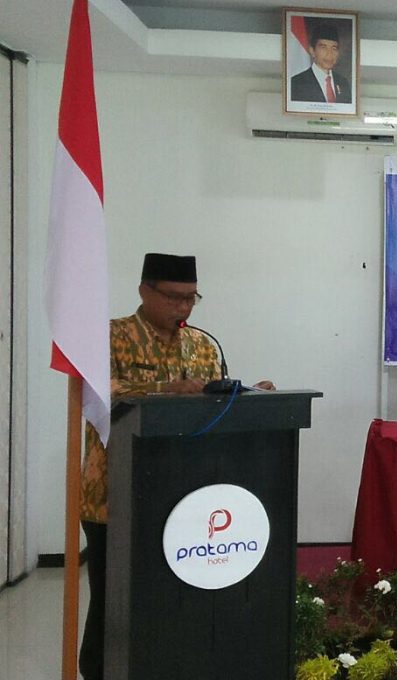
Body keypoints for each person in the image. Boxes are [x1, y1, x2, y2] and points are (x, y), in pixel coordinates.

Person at [79, 253, 274, 680]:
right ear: (144, 290)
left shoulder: (203, 343)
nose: (184, 307)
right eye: (173, 297)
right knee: (113, 599)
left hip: (186, 499)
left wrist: (246, 395)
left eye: (191, 298)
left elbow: (211, 403)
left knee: (174, 598)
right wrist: (167, 388)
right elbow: (98, 392)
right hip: (114, 494)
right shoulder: (112, 336)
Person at [289, 23, 352, 104]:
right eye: (323, 47)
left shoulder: (343, 83)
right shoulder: (297, 83)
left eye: (334, 48)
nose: (329, 54)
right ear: (312, 51)